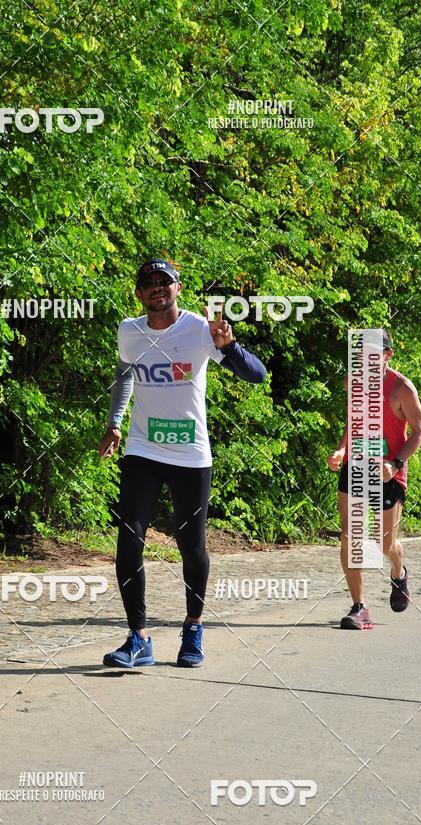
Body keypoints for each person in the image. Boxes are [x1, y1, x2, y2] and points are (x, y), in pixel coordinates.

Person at [98, 258, 266, 667]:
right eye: (148, 283)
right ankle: (138, 638)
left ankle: (193, 628)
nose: (157, 287)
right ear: (139, 293)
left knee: (192, 547)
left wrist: (230, 347)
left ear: (178, 287)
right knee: (128, 541)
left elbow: (257, 375)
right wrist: (115, 422)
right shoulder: (129, 331)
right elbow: (125, 378)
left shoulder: (198, 330)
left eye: (165, 281)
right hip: (142, 449)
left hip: (191, 455)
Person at [327, 329, 421, 629]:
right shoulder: (352, 382)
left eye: (375, 354)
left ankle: (399, 571)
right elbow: (353, 422)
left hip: (389, 469)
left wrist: (396, 463)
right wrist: (342, 449)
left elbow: (420, 429)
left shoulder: (401, 389)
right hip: (356, 463)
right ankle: (360, 607)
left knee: (385, 545)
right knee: (350, 536)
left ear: (388, 355)